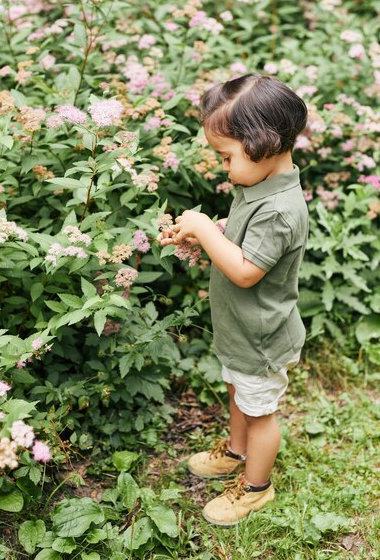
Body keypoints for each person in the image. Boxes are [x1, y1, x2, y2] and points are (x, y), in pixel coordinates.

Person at [158, 73, 309, 527]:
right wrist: (214, 234)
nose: (224, 168)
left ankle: (255, 488)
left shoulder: (281, 208)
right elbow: (245, 246)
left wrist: (206, 228)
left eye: (225, 157)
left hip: (261, 337)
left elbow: (246, 272)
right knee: (238, 393)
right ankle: (235, 451)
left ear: (262, 145)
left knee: (260, 412)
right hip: (241, 332)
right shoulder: (257, 187)